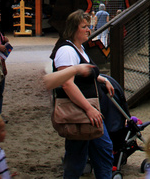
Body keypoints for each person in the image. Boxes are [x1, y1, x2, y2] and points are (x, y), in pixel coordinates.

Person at [51, 10, 116, 179]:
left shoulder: (79, 49)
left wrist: (101, 79)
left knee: (102, 149)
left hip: (88, 112)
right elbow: (67, 83)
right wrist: (89, 109)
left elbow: (83, 72)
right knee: (78, 156)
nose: (89, 29)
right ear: (74, 29)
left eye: (89, 26)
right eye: (84, 27)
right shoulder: (66, 51)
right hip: (79, 113)